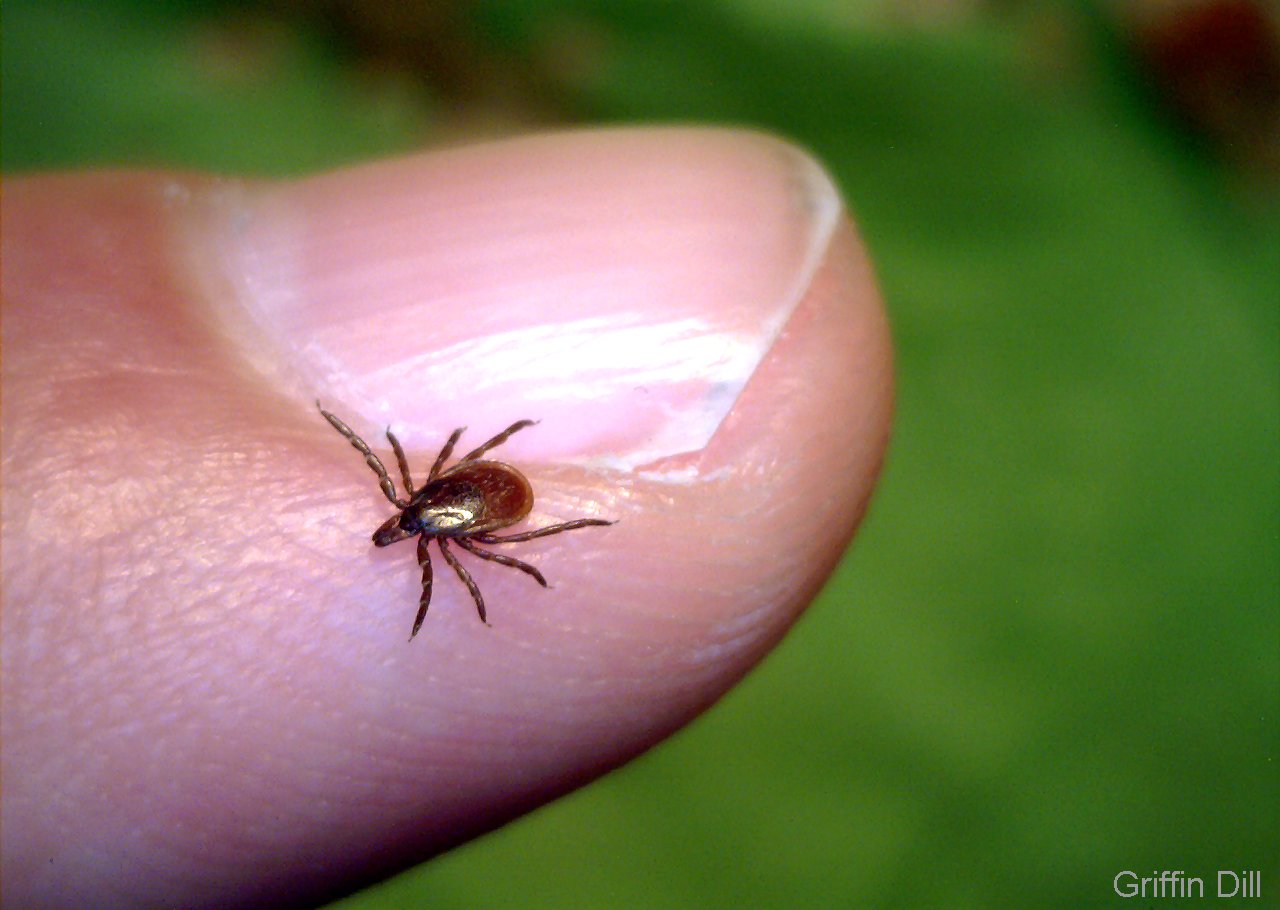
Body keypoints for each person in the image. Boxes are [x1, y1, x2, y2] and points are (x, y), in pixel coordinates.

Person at [0, 127, 892, 908]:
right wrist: (454, 499)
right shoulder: (425, 506)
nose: (396, 529)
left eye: (404, 523)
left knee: (507, 541)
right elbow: (442, 470)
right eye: (405, 526)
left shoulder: (431, 513)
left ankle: (564, 532)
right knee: (494, 536)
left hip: (494, 487)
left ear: (419, 515)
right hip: (491, 485)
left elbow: (453, 488)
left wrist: (529, 534)